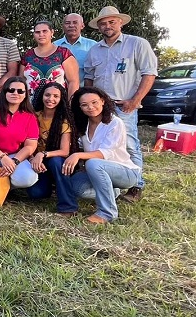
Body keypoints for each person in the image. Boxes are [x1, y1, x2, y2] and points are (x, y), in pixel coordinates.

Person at [83, 6, 157, 202]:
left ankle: (136, 186)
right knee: (99, 143)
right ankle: (108, 180)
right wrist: (88, 101)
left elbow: (149, 73)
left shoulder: (137, 44)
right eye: (103, 23)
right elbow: (89, 78)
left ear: (120, 22)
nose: (107, 26)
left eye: (111, 22)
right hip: (99, 107)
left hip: (123, 105)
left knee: (130, 144)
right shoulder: (94, 50)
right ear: (98, 27)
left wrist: (135, 101)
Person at [56, 87, 141, 223]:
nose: (90, 107)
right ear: (79, 107)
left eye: (94, 102)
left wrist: (78, 156)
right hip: (98, 171)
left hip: (125, 172)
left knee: (93, 163)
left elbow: (104, 153)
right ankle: (112, 192)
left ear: (102, 101)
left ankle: (107, 212)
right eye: (84, 105)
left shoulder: (115, 122)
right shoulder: (83, 124)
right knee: (75, 186)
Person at [25, 82, 73, 205]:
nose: (50, 99)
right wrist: (32, 158)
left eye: (56, 96)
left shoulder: (63, 120)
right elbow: (23, 143)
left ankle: (68, 205)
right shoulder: (33, 116)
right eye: (47, 95)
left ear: (61, 99)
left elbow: (64, 151)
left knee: (56, 161)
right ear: (42, 96)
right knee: (36, 193)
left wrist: (42, 154)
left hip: (55, 161)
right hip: (36, 161)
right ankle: (50, 185)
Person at [22, 20, 79, 98]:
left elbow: (73, 82)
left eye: (44, 31)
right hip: (30, 102)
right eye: (37, 32)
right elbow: (21, 81)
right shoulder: (27, 55)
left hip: (56, 101)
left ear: (52, 32)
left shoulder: (63, 53)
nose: (41, 34)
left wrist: (71, 102)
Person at [54, 13, 97, 84]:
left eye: (75, 22)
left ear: (82, 26)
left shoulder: (93, 45)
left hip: (85, 89)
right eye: (67, 23)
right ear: (63, 26)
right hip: (59, 89)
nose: (71, 25)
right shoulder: (54, 46)